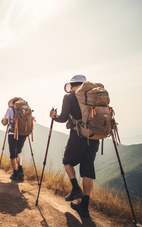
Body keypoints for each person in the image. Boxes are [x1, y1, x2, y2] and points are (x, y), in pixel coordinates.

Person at [49, 75, 99, 217]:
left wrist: (53, 116)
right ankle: (84, 206)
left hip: (78, 135)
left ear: (74, 86)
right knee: (87, 170)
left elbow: (63, 118)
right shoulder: (94, 96)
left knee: (67, 161)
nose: (70, 89)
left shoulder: (69, 97)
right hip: (95, 136)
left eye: (71, 86)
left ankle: (76, 188)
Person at [1, 97, 27, 181]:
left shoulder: (10, 109)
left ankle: (15, 173)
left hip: (13, 134)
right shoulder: (25, 109)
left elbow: (5, 123)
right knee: (18, 152)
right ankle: (21, 170)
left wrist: (2, 120)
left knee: (13, 154)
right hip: (23, 133)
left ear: (13, 103)